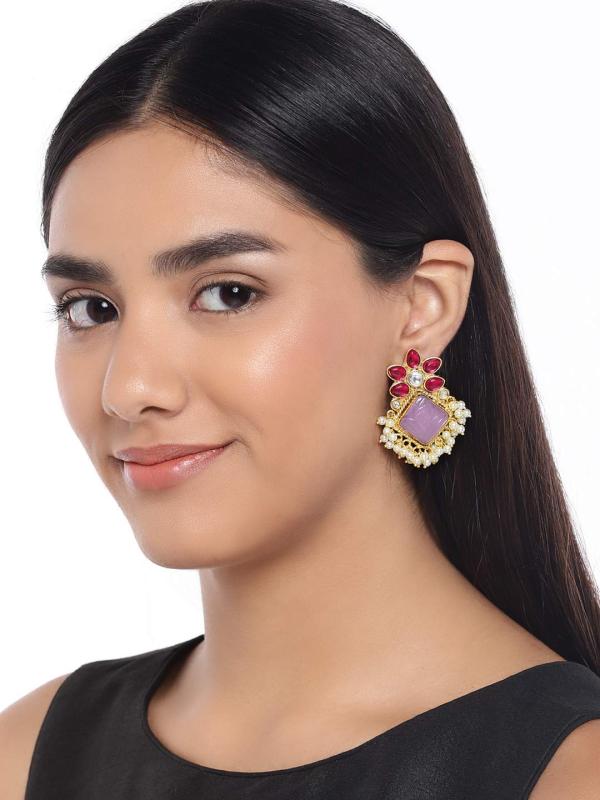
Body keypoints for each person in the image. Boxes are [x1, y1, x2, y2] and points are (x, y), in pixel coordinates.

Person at [2, 0, 600, 797]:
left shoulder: (570, 774)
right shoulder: (26, 757)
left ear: (421, 306)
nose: (130, 388)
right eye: (91, 308)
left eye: (228, 293)